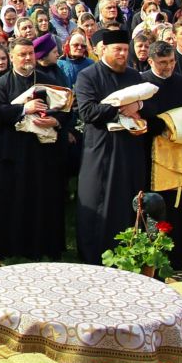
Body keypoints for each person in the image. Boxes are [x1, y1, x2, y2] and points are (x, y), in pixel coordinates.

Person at [0, 39, 72, 260]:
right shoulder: (2, 84)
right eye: (22, 54)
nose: (27, 58)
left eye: (30, 54)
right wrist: (24, 108)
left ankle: (41, 246)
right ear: (12, 57)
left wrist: (56, 122)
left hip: (42, 152)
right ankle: (10, 246)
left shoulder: (47, 82)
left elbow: (66, 109)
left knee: (42, 198)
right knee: (12, 198)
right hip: (13, 151)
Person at [73, 29, 155, 263]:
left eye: (125, 50)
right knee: (97, 199)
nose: (122, 54)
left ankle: (128, 252)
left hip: (130, 150)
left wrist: (138, 103)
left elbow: (150, 107)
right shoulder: (88, 76)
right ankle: (94, 255)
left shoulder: (133, 75)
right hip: (101, 149)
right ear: (103, 50)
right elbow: (88, 111)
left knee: (128, 199)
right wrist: (120, 107)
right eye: (117, 49)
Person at [139, 41, 182, 270]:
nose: (168, 66)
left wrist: (180, 124)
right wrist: (161, 125)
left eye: (171, 61)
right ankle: (157, 255)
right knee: (159, 205)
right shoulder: (142, 82)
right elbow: (140, 116)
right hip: (153, 154)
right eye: (162, 63)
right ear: (150, 61)